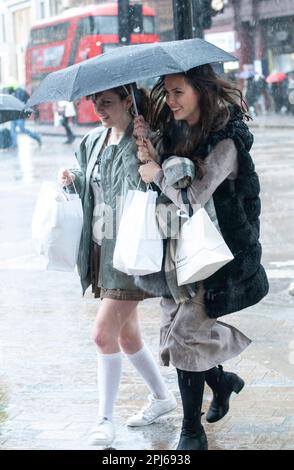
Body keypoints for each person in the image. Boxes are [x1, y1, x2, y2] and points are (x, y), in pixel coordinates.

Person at [133, 65, 269, 450]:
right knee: (176, 334)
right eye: (168, 92)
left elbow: (192, 198)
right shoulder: (178, 133)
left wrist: (156, 172)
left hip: (214, 256)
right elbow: (173, 180)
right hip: (176, 253)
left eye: (179, 92)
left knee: (183, 337)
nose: (171, 100)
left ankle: (191, 432)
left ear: (201, 92)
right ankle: (221, 381)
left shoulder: (225, 142)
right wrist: (149, 148)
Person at [58, 84, 176, 448]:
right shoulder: (94, 139)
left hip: (131, 251)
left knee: (101, 334)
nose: (99, 110)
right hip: (100, 250)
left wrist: (144, 146)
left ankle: (103, 420)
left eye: (106, 103)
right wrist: (71, 179)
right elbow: (86, 178)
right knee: (127, 336)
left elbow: (147, 186)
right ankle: (162, 398)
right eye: (95, 103)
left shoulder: (145, 139)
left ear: (128, 101)